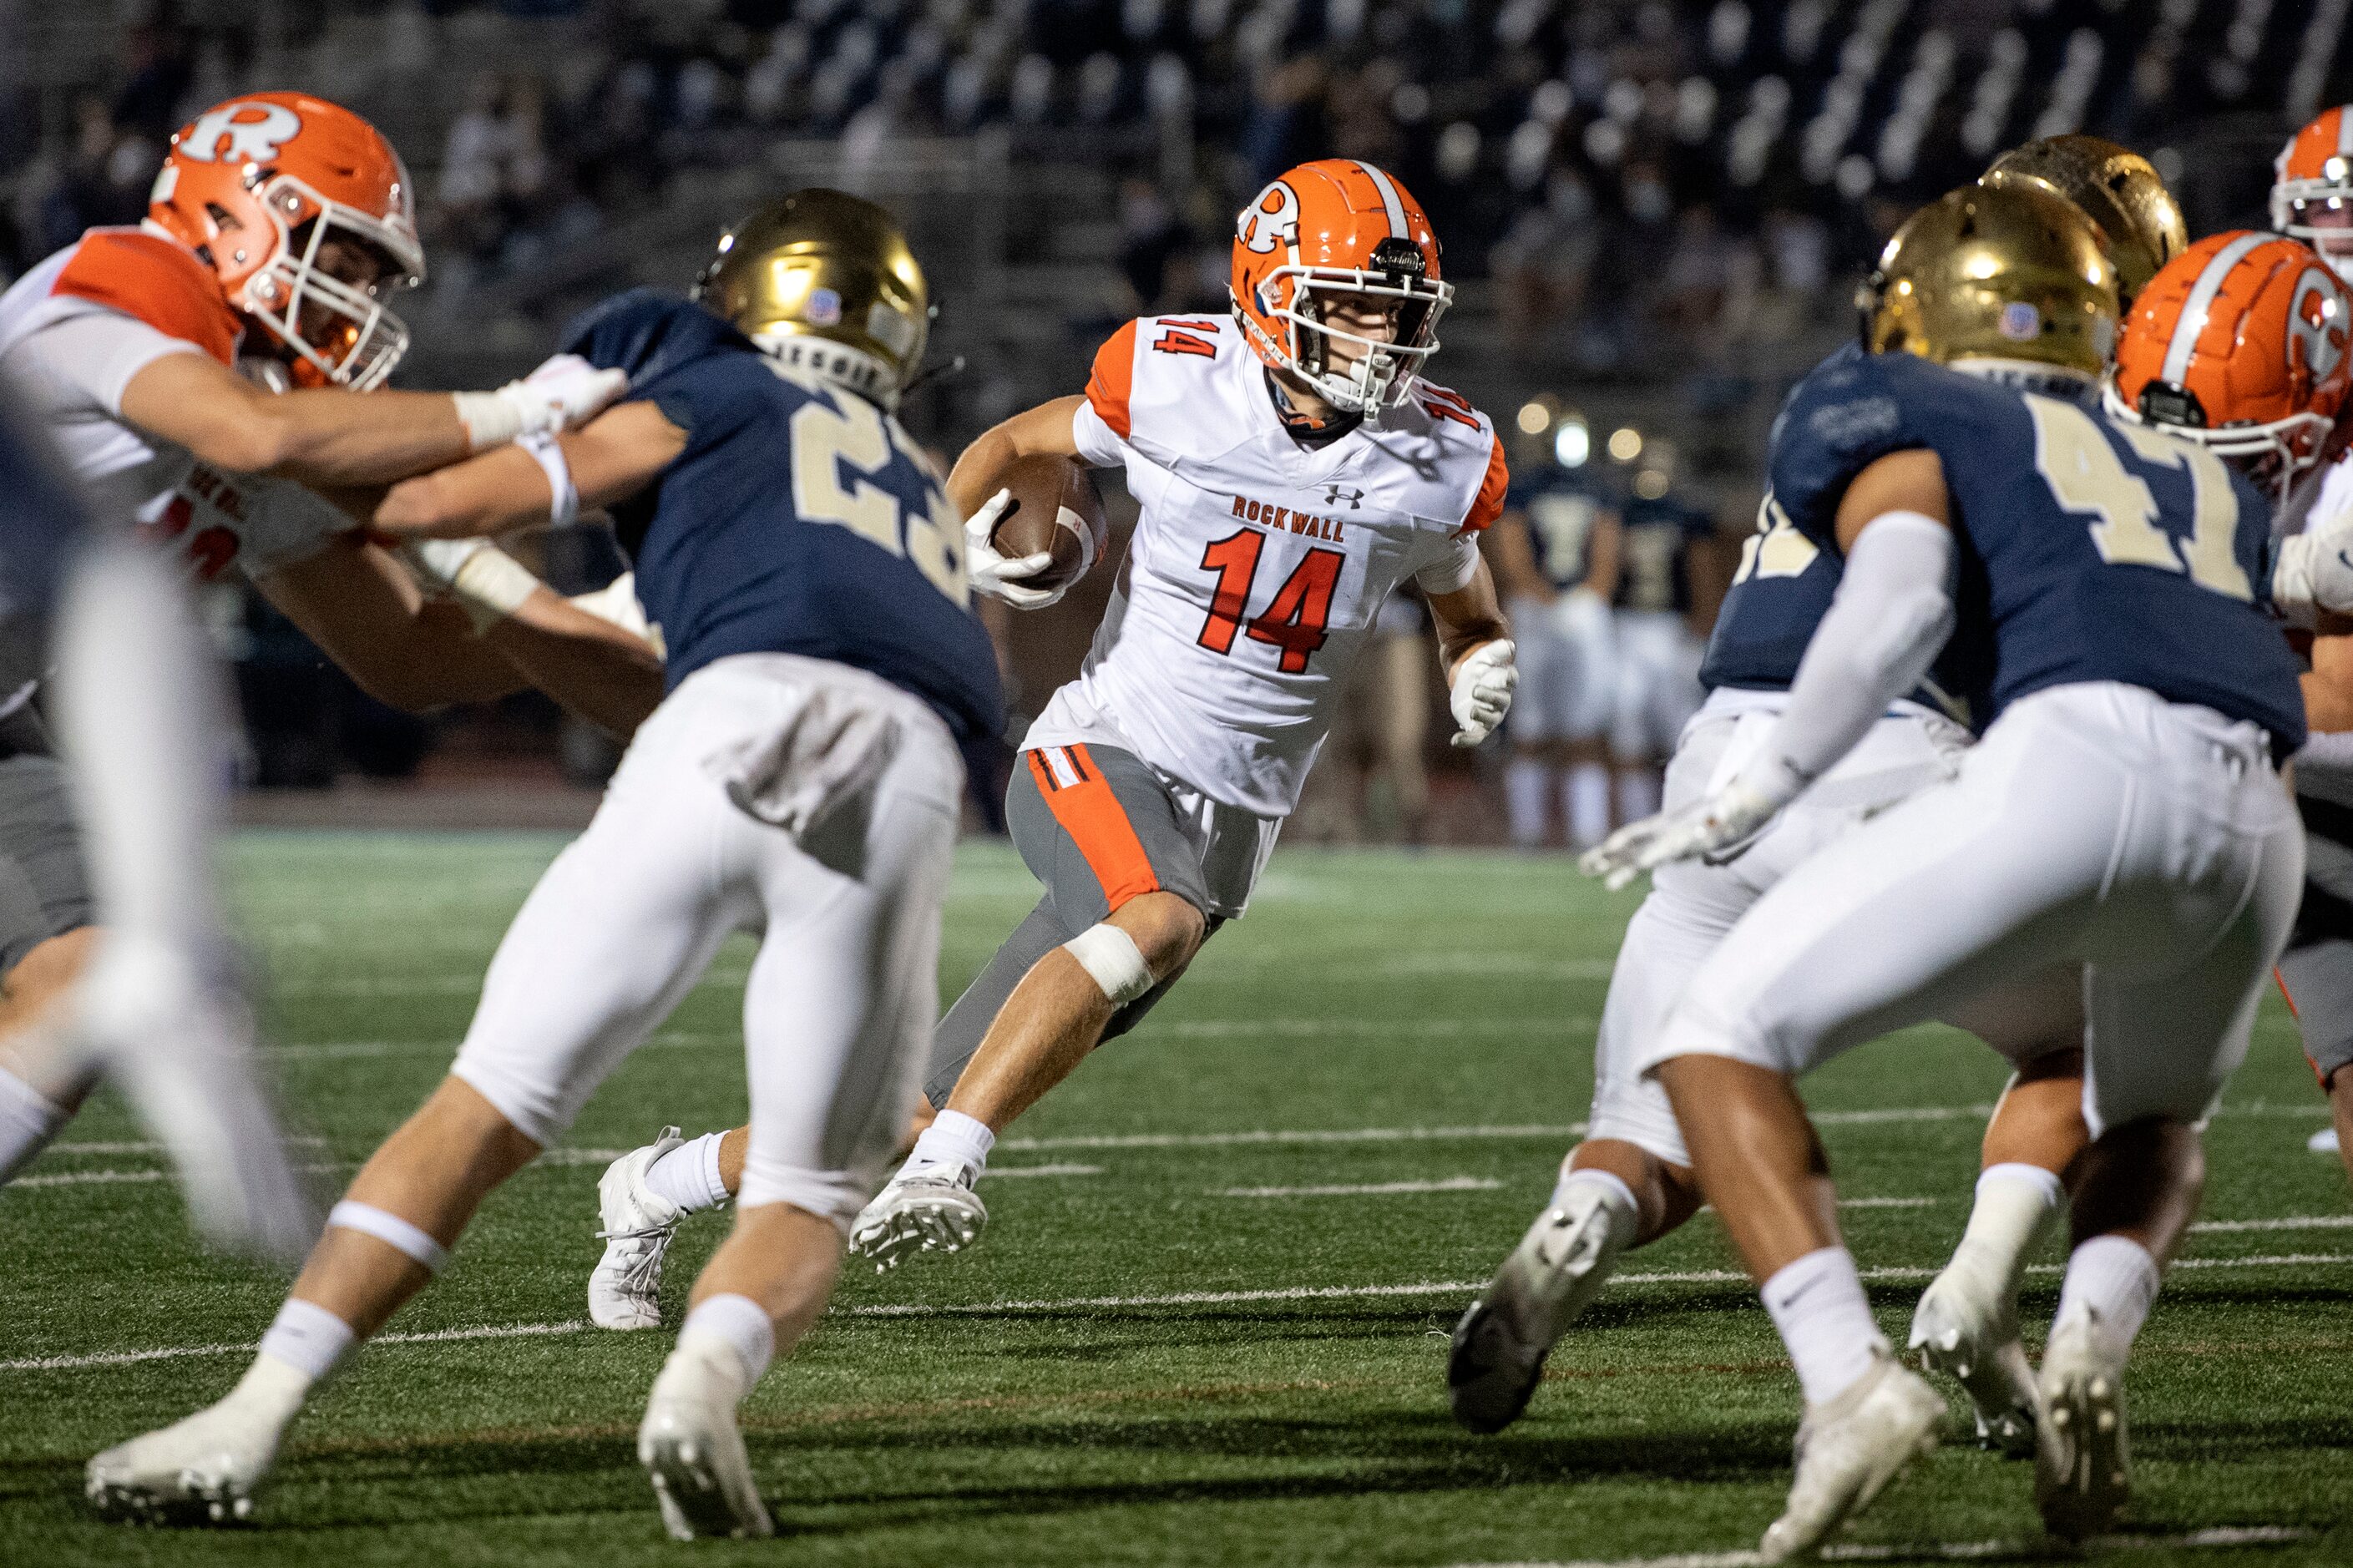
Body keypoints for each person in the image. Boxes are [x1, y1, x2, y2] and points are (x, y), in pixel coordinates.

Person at [87, 189, 997, 1539]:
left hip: (722, 720)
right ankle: (698, 1386)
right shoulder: (920, 480)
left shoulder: (717, 387)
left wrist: (295, 467)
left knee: (486, 1102)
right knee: (810, 1185)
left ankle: (249, 1417)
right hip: (905, 772)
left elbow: (454, 499)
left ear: (741, 297)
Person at [576, 158, 1518, 1324]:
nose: (1385, 336)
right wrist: (957, 548)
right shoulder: (1176, 379)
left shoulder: (1441, 454)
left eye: (1400, 311)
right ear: (1273, 292)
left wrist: (1476, 652)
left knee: (903, 1109)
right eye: (1355, 304)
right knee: (1145, 924)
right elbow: (1018, 444)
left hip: (1230, 826)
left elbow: (1455, 582)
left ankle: (653, 1185)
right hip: (1100, 749)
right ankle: (952, 1165)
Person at [1583, 185, 2325, 1554]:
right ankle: (2089, 1347)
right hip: (2252, 825)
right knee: (2148, 1116)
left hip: (2076, 763)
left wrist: (1756, 782)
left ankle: (1844, 1379)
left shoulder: (1913, 404)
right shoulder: (2189, 456)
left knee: (1706, 1032)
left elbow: (1898, 603)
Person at [1446, 138, 2192, 1461]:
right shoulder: (2060, 412)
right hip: (1887, 758)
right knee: (2092, 1046)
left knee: (1657, 1123)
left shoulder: (1848, 385)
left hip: (1717, 754)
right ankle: (1972, 1285)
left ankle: (1581, 1223)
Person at [0, 92, 635, 1229]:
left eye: (376, 276)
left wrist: (601, 614)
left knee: (93, 975)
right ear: (241, 211)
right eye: (342, 253)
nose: (359, 297)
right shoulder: (129, 281)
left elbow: (404, 656)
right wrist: (518, 414)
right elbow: (255, 438)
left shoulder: (264, 395)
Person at [1488, 432, 1620, 849]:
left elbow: (1607, 553)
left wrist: (1582, 597)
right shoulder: (1525, 489)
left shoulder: (1597, 490)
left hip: (1577, 608)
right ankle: (1529, 833)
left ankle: (1588, 831)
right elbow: (1511, 552)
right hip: (1536, 608)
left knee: (1585, 726)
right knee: (1530, 724)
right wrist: (1545, 596)